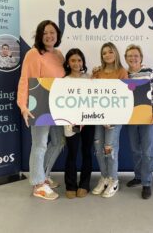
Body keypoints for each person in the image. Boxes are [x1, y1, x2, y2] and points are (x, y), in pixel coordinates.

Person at [17, 20, 65, 200]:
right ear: (39, 35)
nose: (49, 36)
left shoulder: (59, 55)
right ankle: (38, 185)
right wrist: (23, 106)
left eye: (52, 32)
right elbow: (24, 80)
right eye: (45, 33)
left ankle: (43, 175)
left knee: (59, 141)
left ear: (57, 35)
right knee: (40, 144)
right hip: (39, 106)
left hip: (58, 107)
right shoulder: (33, 53)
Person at [124, 44, 153, 199]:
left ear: (141, 57)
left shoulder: (149, 72)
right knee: (135, 150)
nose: (133, 58)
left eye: (136, 55)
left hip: (149, 117)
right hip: (132, 118)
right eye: (129, 56)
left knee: (148, 152)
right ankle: (138, 177)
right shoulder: (124, 74)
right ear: (125, 58)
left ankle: (147, 183)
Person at [91, 42, 128, 198]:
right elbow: (91, 94)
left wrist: (110, 118)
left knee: (109, 148)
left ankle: (114, 180)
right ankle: (105, 177)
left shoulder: (122, 72)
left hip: (114, 117)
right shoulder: (98, 72)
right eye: (104, 53)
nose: (107, 55)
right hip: (98, 116)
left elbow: (124, 97)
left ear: (115, 54)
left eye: (110, 52)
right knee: (99, 148)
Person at [63, 48, 95, 199]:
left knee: (87, 152)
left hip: (89, 121)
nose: (77, 63)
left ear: (83, 62)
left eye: (79, 60)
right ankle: (70, 185)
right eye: (73, 60)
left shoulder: (90, 79)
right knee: (72, 153)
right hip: (72, 123)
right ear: (68, 63)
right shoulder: (63, 81)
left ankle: (84, 184)